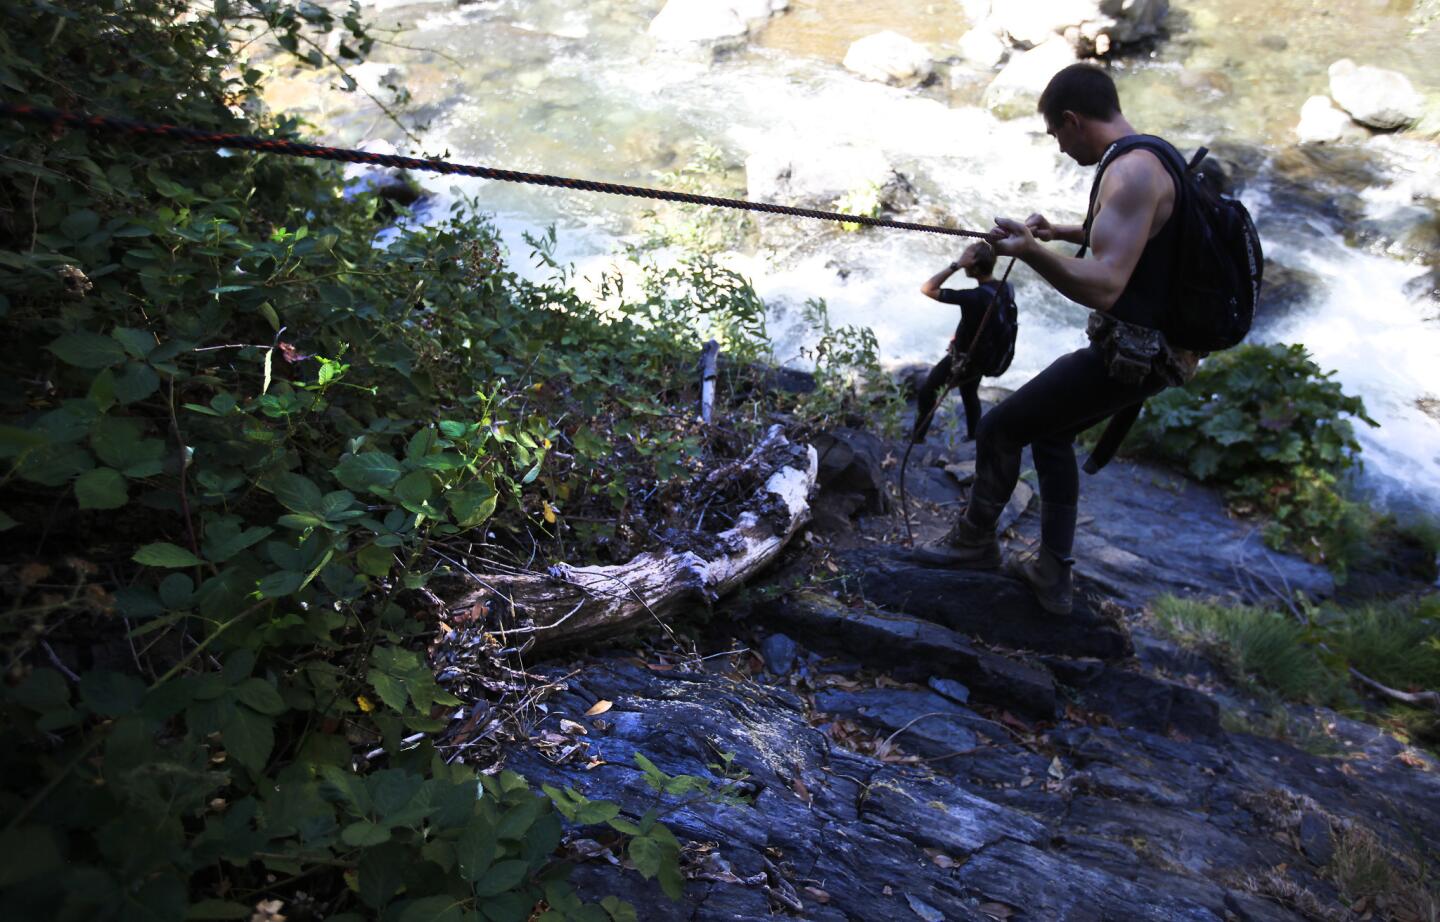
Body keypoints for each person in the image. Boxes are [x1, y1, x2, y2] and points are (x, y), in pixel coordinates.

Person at [913, 63, 1198, 616]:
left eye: (1056, 136)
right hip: (1157, 349)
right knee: (1050, 436)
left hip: (1134, 354)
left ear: (1072, 120)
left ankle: (973, 545)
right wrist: (1057, 232)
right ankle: (1053, 573)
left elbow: (1107, 284)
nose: (1061, 149)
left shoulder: (1130, 173)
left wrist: (1030, 251)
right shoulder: (1153, 153)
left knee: (1001, 428)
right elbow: (1129, 232)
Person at [912, 241, 1016, 444]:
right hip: (983, 357)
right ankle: (973, 437)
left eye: (967, 261)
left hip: (965, 359)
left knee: (927, 392)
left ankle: (917, 440)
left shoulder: (974, 297)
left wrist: (956, 265)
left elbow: (927, 288)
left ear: (974, 267)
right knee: (969, 393)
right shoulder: (1005, 287)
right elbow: (984, 320)